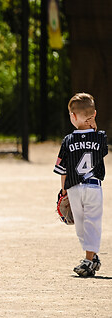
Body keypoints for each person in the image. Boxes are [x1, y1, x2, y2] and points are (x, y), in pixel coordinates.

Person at [53, 92, 108, 277]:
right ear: (94, 116)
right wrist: (94, 128)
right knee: (92, 222)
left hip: (74, 187)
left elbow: (63, 170)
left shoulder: (68, 141)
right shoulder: (100, 138)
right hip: (93, 187)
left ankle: (88, 259)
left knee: (81, 225)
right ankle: (91, 257)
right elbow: (101, 148)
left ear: (74, 117)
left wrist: (63, 191)